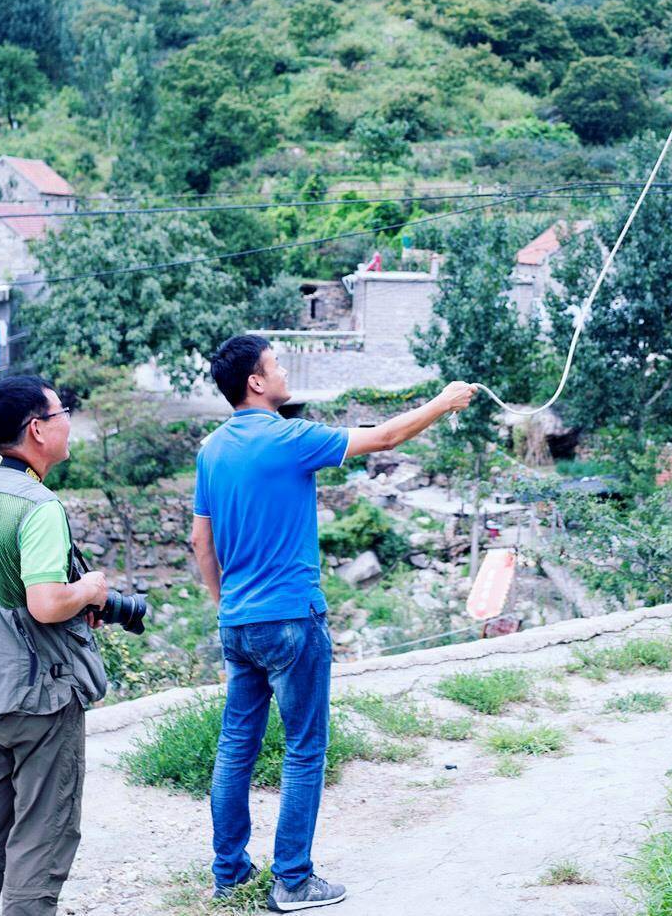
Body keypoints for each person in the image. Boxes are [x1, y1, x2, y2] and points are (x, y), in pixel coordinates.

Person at [193, 335, 477, 911]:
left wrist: (227, 603)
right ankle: (293, 881)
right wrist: (444, 401)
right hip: (292, 618)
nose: (282, 371)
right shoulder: (290, 439)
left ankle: (230, 872)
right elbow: (388, 436)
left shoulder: (212, 450)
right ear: (255, 382)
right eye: (275, 364)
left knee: (235, 749)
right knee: (303, 748)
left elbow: (201, 540)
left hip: (239, 622)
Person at [0, 375, 109, 916]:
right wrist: (87, 589)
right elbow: (43, 603)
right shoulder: (39, 506)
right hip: (40, 695)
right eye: (61, 413)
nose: (67, 422)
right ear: (37, 429)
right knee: (44, 834)